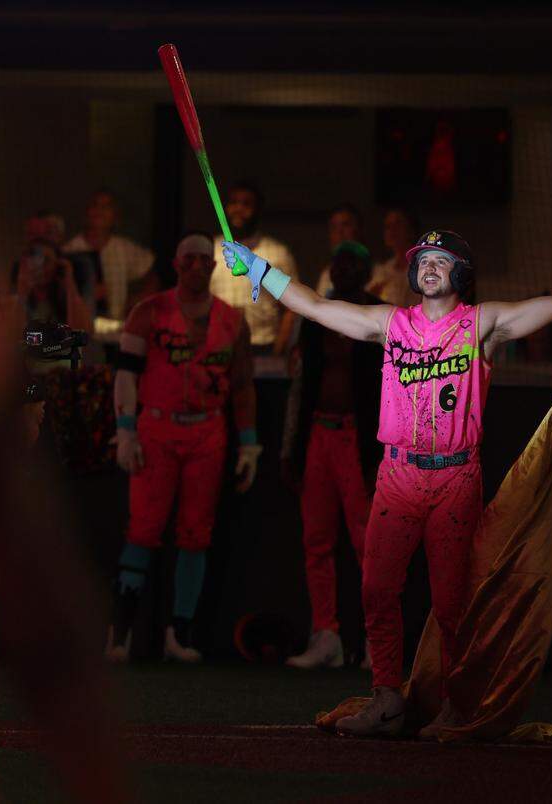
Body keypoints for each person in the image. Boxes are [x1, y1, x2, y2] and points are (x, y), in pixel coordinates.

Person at [222, 227, 552, 737]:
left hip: (456, 477)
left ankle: (457, 706)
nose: (430, 266)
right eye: (424, 259)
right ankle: (387, 700)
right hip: (397, 476)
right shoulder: (390, 323)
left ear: (462, 272)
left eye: (442, 259)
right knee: (376, 589)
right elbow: (318, 308)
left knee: (452, 601)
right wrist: (257, 269)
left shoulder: (483, 324)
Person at [106, 233, 261, 663]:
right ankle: (120, 636)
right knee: (143, 529)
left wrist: (249, 444)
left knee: (196, 534)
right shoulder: (149, 311)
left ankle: (182, 635)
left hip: (208, 431)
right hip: (158, 427)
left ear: (213, 266)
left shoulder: (232, 320)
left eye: (203, 260)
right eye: (188, 259)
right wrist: (126, 430)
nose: (196, 266)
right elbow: (125, 374)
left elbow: (243, 386)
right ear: (176, 264)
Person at [281, 241, 383, 670]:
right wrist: (293, 447)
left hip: (359, 439)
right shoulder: (316, 316)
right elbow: (301, 386)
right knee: (316, 540)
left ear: (365, 272)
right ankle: (327, 636)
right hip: (319, 434)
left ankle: (377, 642)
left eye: (352, 265)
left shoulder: (382, 316)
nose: (343, 271)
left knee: (369, 545)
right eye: (338, 263)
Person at [208, 181, 299, 354]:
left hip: (264, 346)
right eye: (233, 202)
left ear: (258, 210)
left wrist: (278, 352)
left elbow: (291, 309)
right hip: (218, 346)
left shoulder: (278, 253)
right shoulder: (210, 250)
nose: (238, 209)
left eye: (246, 204)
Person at [62, 189, 155, 343]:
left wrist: (136, 304)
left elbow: (152, 279)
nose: (100, 211)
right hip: (80, 334)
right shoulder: (70, 250)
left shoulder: (125, 248)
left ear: (115, 215)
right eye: (95, 205)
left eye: (106, 207)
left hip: (117, 333)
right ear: (86, 212)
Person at [368, 206, 423, 307]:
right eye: (388, 226)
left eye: (398, 224)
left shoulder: (423, 267)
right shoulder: (381, 271)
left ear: (411, 229)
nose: (392, 230)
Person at [314, 204, 365, 299]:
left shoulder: (379, 273)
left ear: (358, 229)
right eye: (334, 227)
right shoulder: (326, 275)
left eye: (345, 225)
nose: (339, 232)